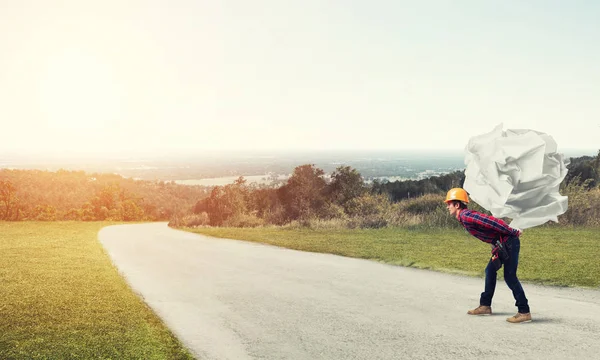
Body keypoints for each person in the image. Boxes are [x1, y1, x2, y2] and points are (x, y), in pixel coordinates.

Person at [444, 188, 532, 324]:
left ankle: (524, 311)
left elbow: (492, 222)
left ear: (457, 205)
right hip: (502, 244)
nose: (447, 206)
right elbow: (489, 231)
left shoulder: (466, 216)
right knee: (490, 270)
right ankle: (485, 306)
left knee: (510, 276)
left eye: (449, 203)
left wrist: (512, 231)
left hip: (509, 242)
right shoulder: (464, 217)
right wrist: (494, 245)